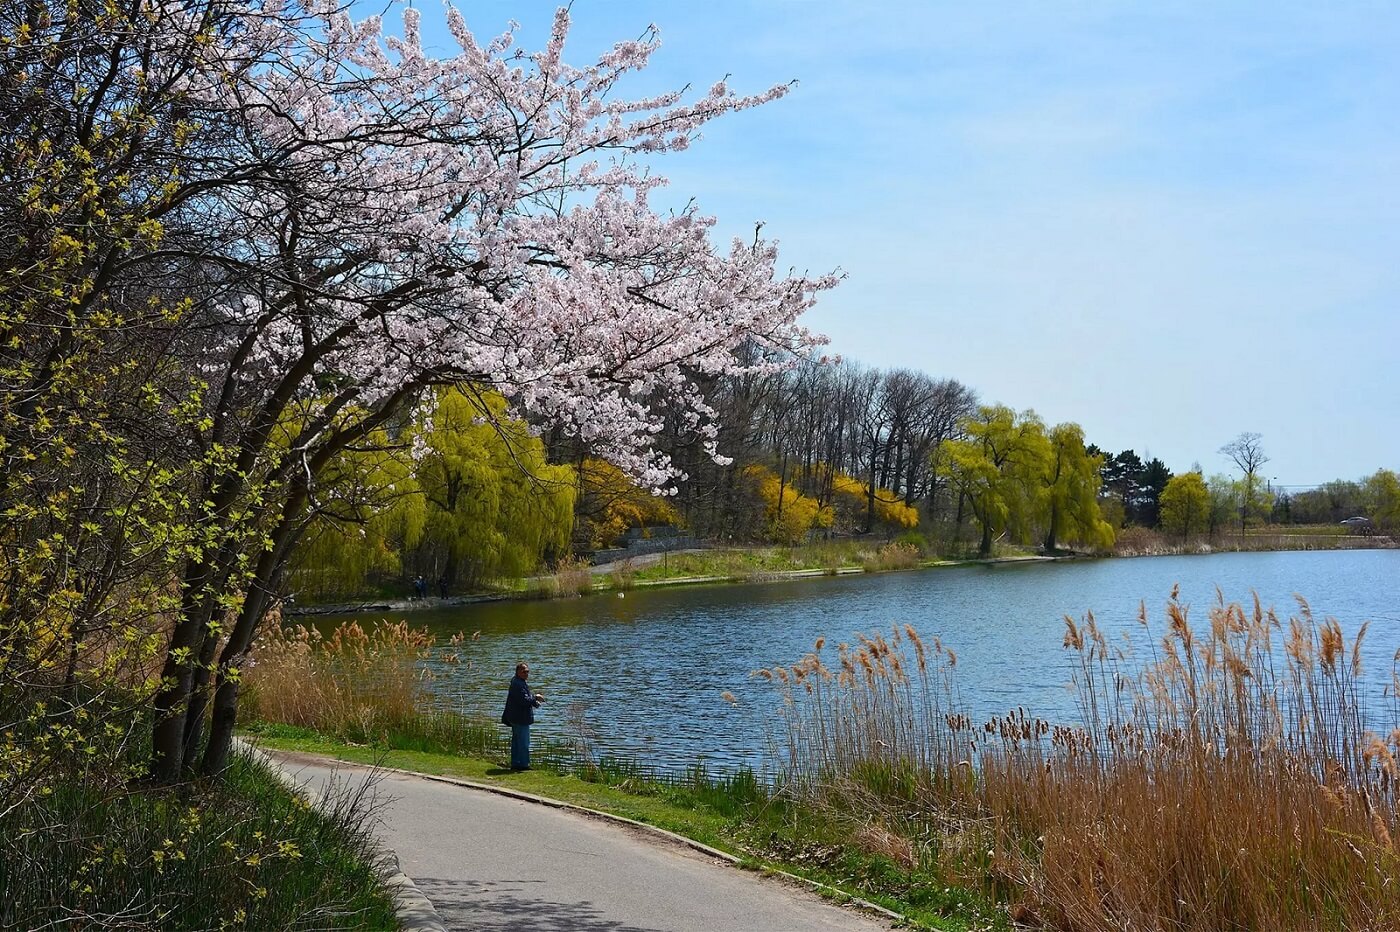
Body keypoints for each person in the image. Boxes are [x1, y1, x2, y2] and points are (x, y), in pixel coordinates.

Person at [500, 662, 543, 770]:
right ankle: (523, 765)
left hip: (515, 717)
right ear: (518, 672)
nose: (526, 674)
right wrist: (536, 698)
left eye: (527, 671)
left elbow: (524, 698)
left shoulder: (518, 682)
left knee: (517, 742)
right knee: (523, 743)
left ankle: (516, 763)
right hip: (520, 719)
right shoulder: (518, 684)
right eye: (524, 671)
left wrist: (533, 702)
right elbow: (523, 700)